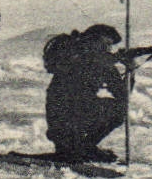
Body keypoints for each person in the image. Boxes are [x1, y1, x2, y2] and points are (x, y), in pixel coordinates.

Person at [42, 24, 128, 162]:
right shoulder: (76, 54)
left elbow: (122, 95)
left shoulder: (99, 60)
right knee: (115, 109)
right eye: (106, 44)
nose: (108, 49)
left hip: (68, 115)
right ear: (94, 40)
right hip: (64, 114)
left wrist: (130, 72)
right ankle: (78, 149)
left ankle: (83, 148)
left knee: (117, 108)